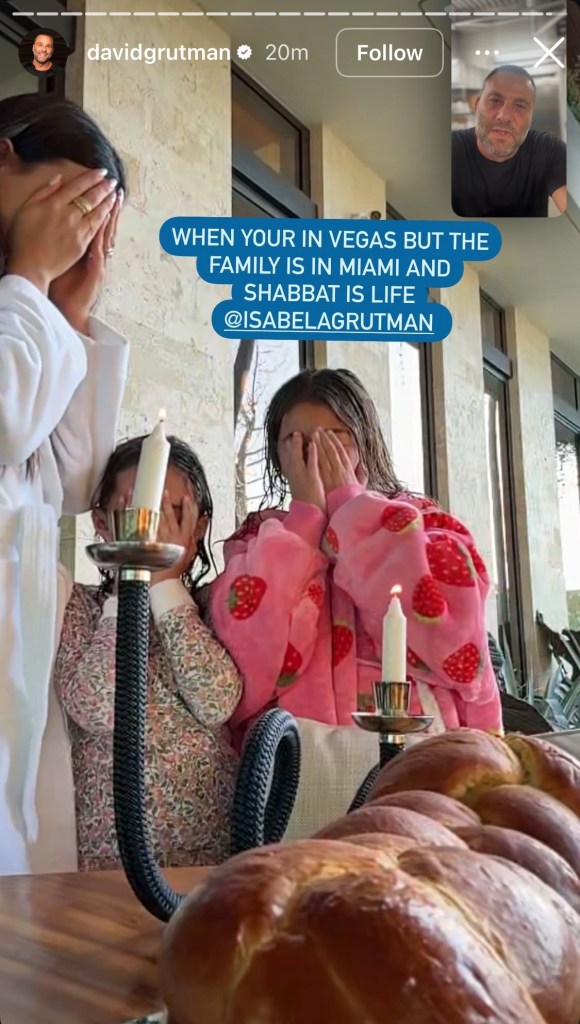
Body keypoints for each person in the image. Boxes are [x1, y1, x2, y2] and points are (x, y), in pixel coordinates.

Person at [210, 368, 502, 751]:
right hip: (296, 762)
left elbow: (455, 645)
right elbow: (245, 669)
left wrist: (353, 511)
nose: (317, 454)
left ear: (364, 441)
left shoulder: (423, 522)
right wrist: (303, 524)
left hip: (418, 757)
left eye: (335, 438)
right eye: (297, 444)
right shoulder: (256, 541)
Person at [0, 93, 129, 874]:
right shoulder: (16, 306)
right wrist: (29, 275)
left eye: (91, 225)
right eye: (69, 204)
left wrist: (70, 313)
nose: (72, 235)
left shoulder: (29, 320)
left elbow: (77, 484)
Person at [53, 436, 242, 870]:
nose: (150, 531)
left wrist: (165, 585)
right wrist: (130, 585)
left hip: (207, 852)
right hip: (109, 858)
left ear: (196, 526)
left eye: (169, 513)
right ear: (102, 523)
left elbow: (216, 701)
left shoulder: (211, 606)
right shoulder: (80, 607)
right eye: (134, 514)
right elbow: (95, 708)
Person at [452, 65, 566, 217]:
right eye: (495, 100)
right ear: (477, 104)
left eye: (520, 106)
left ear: (531, 115)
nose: (504, 116)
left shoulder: (549, 151)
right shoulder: (449, 150)